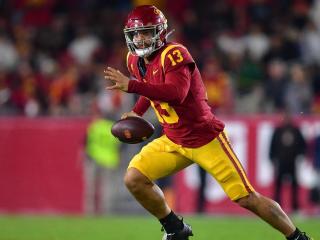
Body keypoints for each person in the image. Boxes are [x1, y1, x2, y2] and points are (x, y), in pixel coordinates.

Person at [104, 5, 313, 240]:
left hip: (205, 138)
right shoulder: (134, 60)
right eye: (136, 34)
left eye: (146, 32)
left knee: (247, 197)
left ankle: (297, 237)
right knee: (134, 178)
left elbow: (176, 93)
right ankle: (175, 229)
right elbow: (150, 89)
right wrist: (136, 111)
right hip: (173, 139)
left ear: (159, 32)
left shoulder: (175, 54)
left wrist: (131, 86)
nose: (140, 39)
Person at [83, 110, 120, 215]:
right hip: (109, 160)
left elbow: (86, 142)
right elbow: (119, 146)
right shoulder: (114, 129)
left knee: (90, 187)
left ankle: (89, 211)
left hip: (94, 158)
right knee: (107, 188)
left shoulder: (95, 126)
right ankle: (105, 211)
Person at [269, 111, 307, 213]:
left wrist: (300, 155)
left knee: (294, 185)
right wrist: (272, 158)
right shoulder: (278, 131)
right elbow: (272, 145)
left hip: (292, 161)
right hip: (281, 162)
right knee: (278, 186)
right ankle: (276, 208)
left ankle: (295, 208)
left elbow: (302, 145)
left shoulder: (296, 130)